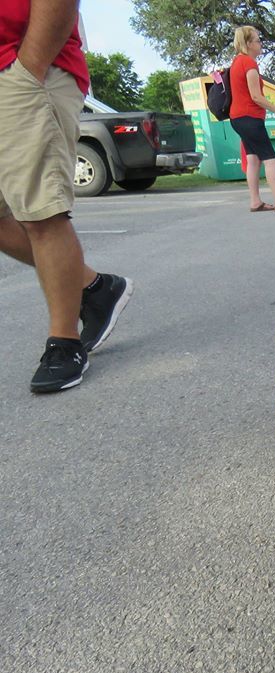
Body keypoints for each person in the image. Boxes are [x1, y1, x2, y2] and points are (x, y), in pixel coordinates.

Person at [0, 0, 133, 393]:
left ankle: (65, 342)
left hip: (21, 68)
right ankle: (94, 287)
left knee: (41, 212)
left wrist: (30, 66)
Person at [229, 25, 275, 213]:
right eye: (258, 40)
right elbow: (256, 96)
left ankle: (255, 202)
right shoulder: (249, 63)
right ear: (248, 43)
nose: (261, 44)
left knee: (253, 159)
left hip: (238, 118)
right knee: (271, 160)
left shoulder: (237, 62)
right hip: (249, 118)